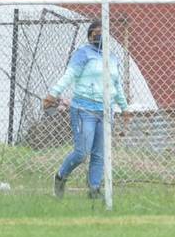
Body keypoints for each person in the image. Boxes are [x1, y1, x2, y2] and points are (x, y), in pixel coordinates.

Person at [44, 20, 130, 199]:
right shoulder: (83, 54)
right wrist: (53, 94)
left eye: (103, 32)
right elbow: (70, 75)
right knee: (82, 153)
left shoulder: (113, 58)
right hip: (84, 109)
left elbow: (117, 84)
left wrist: (124, 107)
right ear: (90, 36)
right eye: (95, 33)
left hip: (106, 111)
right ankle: (60, 177)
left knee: (100, 154)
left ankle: (94, 189)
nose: (99, 36)